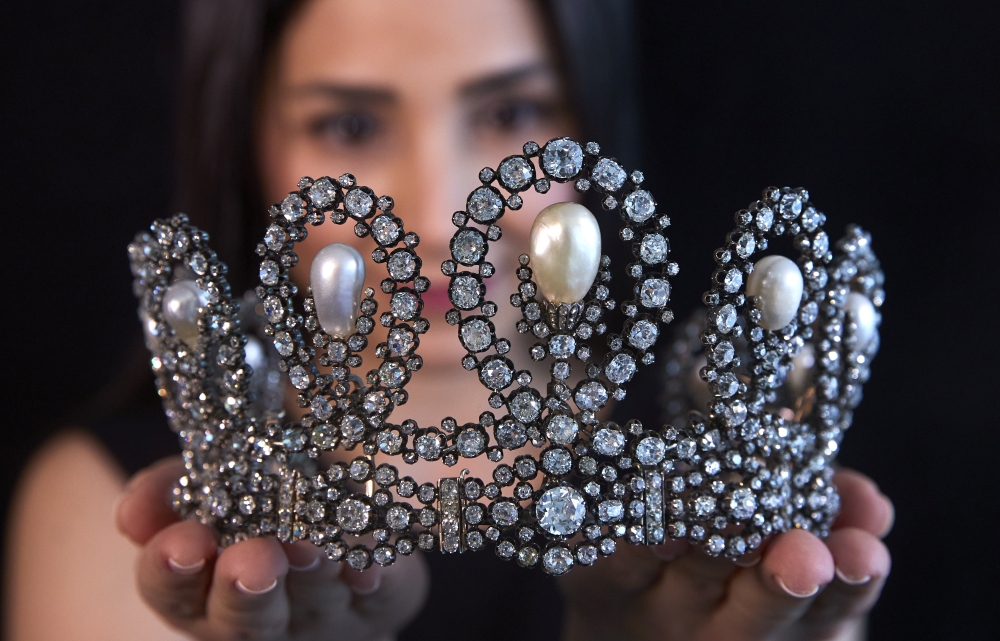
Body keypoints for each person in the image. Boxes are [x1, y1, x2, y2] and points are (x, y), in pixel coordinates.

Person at [4, 1, 894, 639]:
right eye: (350, 123)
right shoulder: (101, 517)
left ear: (589, 116)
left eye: (511, 113)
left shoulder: (736, 543)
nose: (437, 214)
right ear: (248, 139)